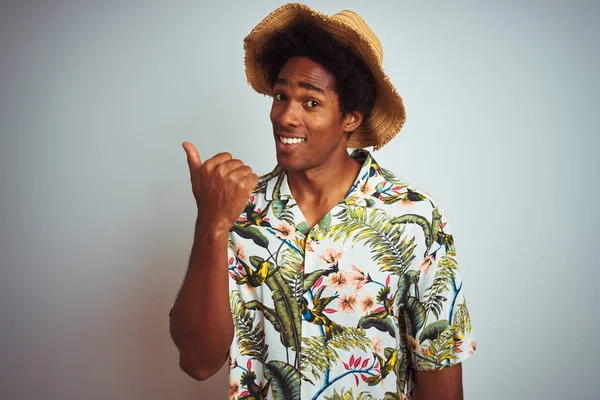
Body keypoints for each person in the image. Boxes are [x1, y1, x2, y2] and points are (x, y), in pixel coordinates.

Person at [169, 4, 476, 399]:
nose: (285, 116)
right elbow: (197, 362)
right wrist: (211, 224)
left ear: (351, 117)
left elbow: (439, 369)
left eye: (310, 102)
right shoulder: (237, 209)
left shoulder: (414, 218)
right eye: (281, 96)